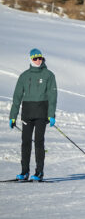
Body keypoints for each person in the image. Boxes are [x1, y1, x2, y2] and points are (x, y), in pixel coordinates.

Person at [9, 48, 57, 182]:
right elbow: (17, 97)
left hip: (42, 113)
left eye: (40, 58)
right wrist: (12, 116)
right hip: (27, 113)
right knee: (25, 143)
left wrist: (51, 114)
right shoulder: (24, 76)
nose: (38, 60)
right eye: (35, 58)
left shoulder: (49, 75)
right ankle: (24, 172)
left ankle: (39, 172)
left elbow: (53, 96)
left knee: (39, 142)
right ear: (30, 59)